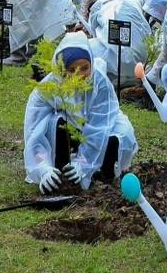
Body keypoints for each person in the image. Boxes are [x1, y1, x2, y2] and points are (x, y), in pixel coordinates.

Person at [22, 33, 138, 193]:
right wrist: (42, 168)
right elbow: (34, 131)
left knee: (120, 135)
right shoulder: (47, 89)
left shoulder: (100, 84)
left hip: (101, 126)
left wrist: (83, 164)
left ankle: (104, 174)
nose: (81, 75)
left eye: (85, 68)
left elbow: (99, 128)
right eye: (72, 70)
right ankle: (58, 170)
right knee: (52, 122)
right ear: (62, 70)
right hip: (71, 130)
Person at [85, 0, 151, 87]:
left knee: (86, 47)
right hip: (144, 59)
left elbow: (93, 31)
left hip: (118, 63)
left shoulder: (98, 6)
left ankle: (109, 78)